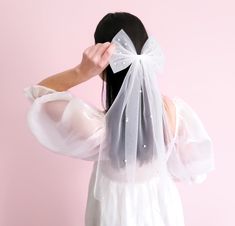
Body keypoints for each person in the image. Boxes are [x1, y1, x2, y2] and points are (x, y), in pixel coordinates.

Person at [23, 12, 215, 226]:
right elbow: (196, 169)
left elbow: (39, 93)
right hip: (162, 211)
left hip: (113, 215)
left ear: (102, 67)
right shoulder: (174, 112)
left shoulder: (95, 128)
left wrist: (81, 71)